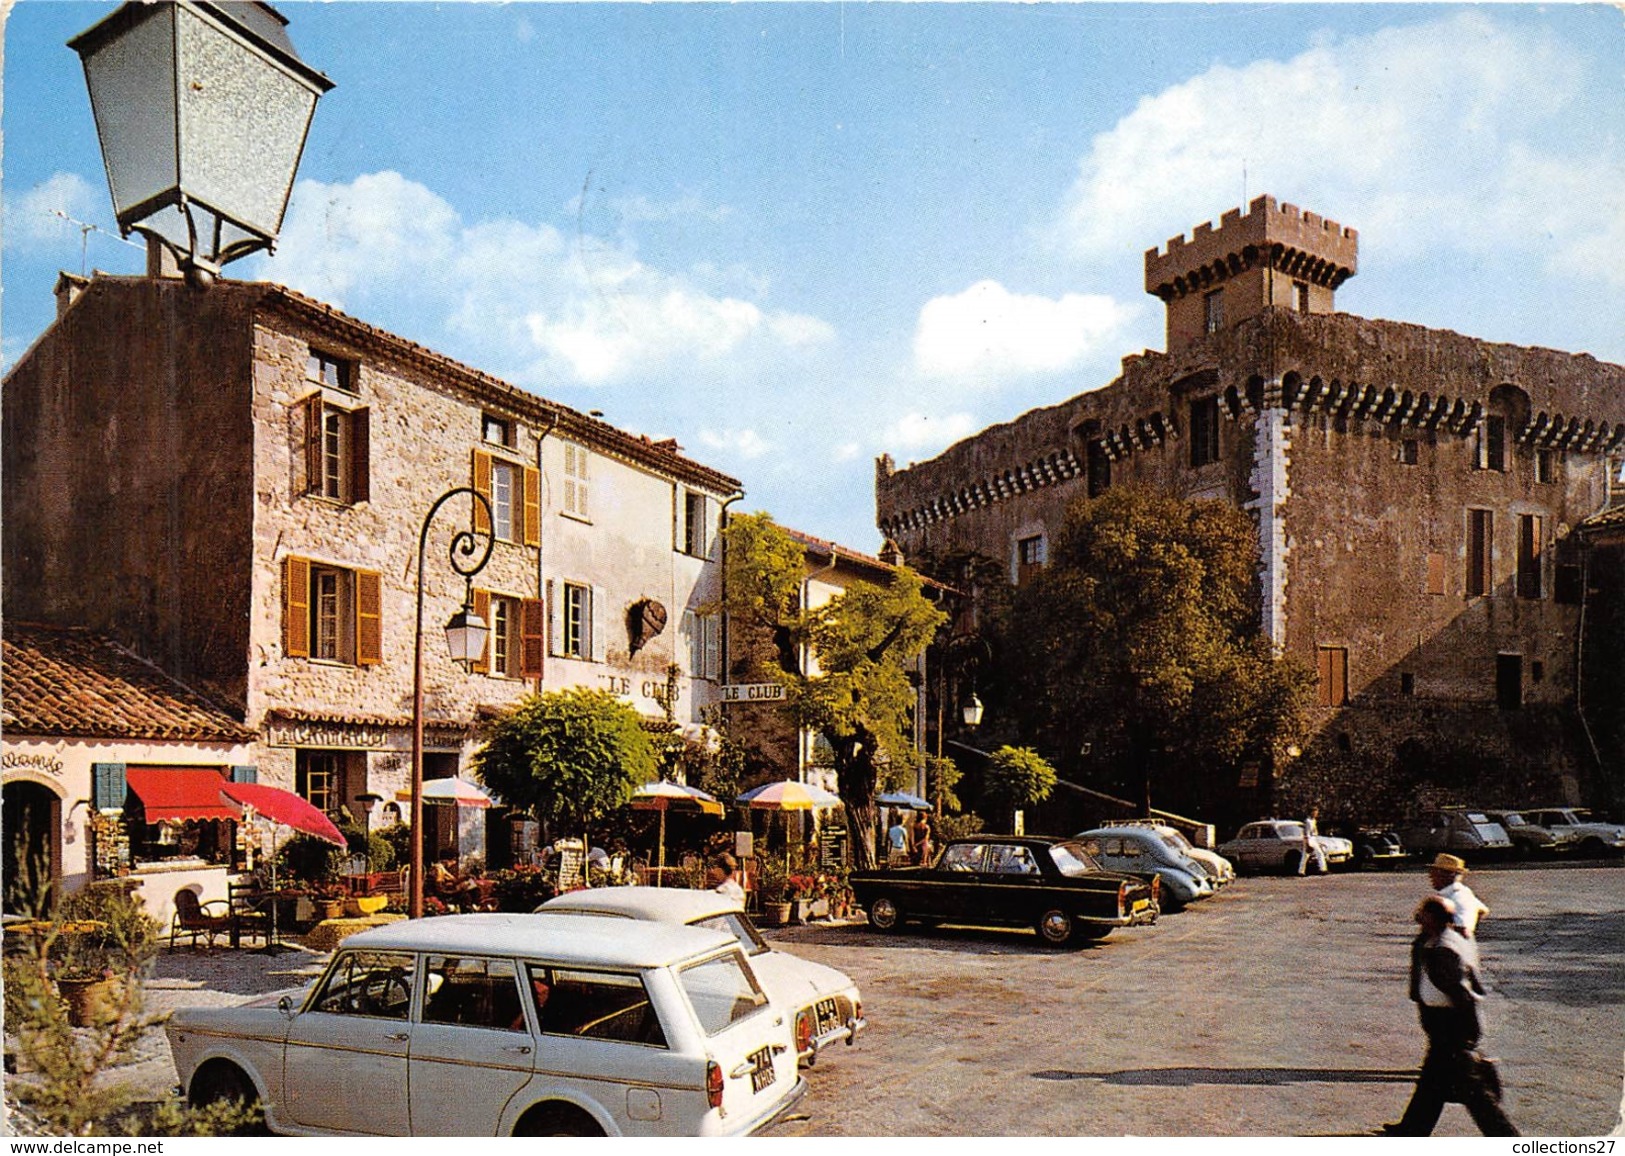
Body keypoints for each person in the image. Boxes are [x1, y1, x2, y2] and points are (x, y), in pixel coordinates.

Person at [1382, 896, 1517, 1136]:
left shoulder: (1444, 949)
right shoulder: (1441, 939)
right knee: (1431, 1083)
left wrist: (1469, 1033)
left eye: (1423, 913)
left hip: (1451, 1025)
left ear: (1433, 918)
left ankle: (1506, 1138)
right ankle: (1411, 1131)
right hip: (1443, 1022)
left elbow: (1460, 993)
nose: (1417, 916)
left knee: (1475, 1093)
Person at [1429, 853, 1488, 937]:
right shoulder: (1463, 892)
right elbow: (1482, 910)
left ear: (1448, 875)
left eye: (1435, 872)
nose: (1430, 876)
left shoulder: (1457, 896)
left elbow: (1463, 929)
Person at [1298, 808, 1327, 876]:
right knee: (1310, 854)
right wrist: (1307, 842)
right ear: (1311, 812)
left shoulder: (1314, 820)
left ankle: (1301, 871)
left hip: (1313, 838)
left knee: (1312, 854)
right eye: (1315, 812)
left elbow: (1315, 831)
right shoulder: (1307, 821)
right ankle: (1322, 869)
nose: (1316, 814)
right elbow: (1306, 832)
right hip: (1309, 838)